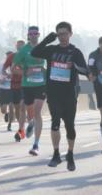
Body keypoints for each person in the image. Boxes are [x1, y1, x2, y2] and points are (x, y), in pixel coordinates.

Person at [30, 22, 89, 170]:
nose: (62, 36)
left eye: (65, 33)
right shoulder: (51, 50)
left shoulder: (75, 52)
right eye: (60, 34)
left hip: (69, 94)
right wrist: (46, 40)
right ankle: (56, 154)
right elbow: (34, 53)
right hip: (53, 93)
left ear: (70, 34)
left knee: (70, 126)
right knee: (55, 123)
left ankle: (70, 153)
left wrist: (75, 67)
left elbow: (84, 69)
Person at [11, 26, 47, 155]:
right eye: (31, 34)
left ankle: (36, 145)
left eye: (35, 33)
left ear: (38, 35)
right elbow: (13, 68)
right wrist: (25, 71)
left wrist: (45, 71)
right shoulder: (23, 50)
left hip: (42, 85)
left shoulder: (44, 48)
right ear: (28, 35)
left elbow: (51, 64)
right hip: (27, 85)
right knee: (29, 111)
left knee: (37, 112)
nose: (33, 35)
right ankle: (30, 123)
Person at [0, 51, 16, 132]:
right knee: (3, 109)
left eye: (10, 56)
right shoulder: (1, 65)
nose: (9, 58)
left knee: (12, 107)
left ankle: (10, 124)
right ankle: (6, 114)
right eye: (8, 56)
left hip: (12, 89)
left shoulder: (16, 65)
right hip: (3, 89)